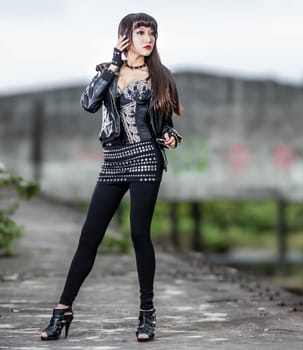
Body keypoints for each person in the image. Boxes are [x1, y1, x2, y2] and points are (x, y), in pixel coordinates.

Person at [40, 12, 182, 342]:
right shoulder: (107, 72)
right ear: (125, 37)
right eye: (141, 32)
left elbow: (166, 123)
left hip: (146, 158)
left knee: (138, 234)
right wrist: (114, 64)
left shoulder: (162, 76)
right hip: (113, 160)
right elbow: (89, 104)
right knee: (90, 236)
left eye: (153, 33)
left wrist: (172, 137)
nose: (149, 39)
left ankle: (147, 314)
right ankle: (62, 310)